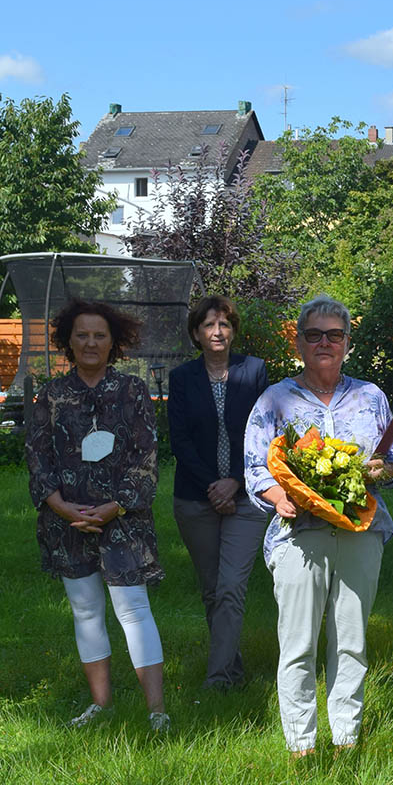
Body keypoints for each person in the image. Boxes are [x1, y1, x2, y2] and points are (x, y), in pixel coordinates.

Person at [244, 294, 393, 757]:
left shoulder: (370, 396)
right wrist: (279, 497)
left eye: (334, 335)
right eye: (314, 335)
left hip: (360, 531)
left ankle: (346, 739)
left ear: (347, 343)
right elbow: (255, 468)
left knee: (351, 641)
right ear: (299, 342)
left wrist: (381, 471)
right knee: (297, 644)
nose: (324, 343)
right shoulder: (274, 398)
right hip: (299, 535)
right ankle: (301, 744)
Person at [25, 299, 169, 731]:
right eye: (82, 335)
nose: (91, 342)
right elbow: (36, 455)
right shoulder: (50, 394)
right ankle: (101, 706)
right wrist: (58, 505)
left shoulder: (132, 391)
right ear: (68, 340)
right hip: (66, 522)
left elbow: (146, 456)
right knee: (85, 611)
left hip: (123, 520)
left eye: (99, 335)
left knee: (134, 609)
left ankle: (157, 712)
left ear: (114, 341)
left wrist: (116, 505)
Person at [168, 296, 269, 690]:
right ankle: (233, 668)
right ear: (196, 333)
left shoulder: (255, 371)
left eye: (225, 324)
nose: (217, 332)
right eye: (209, 325)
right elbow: (180, 440)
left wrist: (237, 481)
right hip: (196, 498)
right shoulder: (182, 378)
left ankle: (218, 679)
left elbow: (265, 433)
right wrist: (215, 484)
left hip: (247, 498)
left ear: (233, 331)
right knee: (212, 591)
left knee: (231, 586)